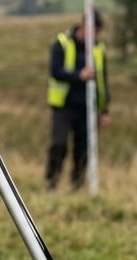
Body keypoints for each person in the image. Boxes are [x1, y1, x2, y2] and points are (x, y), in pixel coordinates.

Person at [45, 12, 110, 191]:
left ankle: (77, 185)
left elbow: (103, 81)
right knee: (59, 145)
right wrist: (78, 75)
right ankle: (51, 183)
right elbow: (55, 71)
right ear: (84, 26)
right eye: (95, 31)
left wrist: (104, 110)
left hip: (87, 109)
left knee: (83, 150)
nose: (96, 36)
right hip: (63, 107)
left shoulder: (98, 49)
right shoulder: (62, 43)